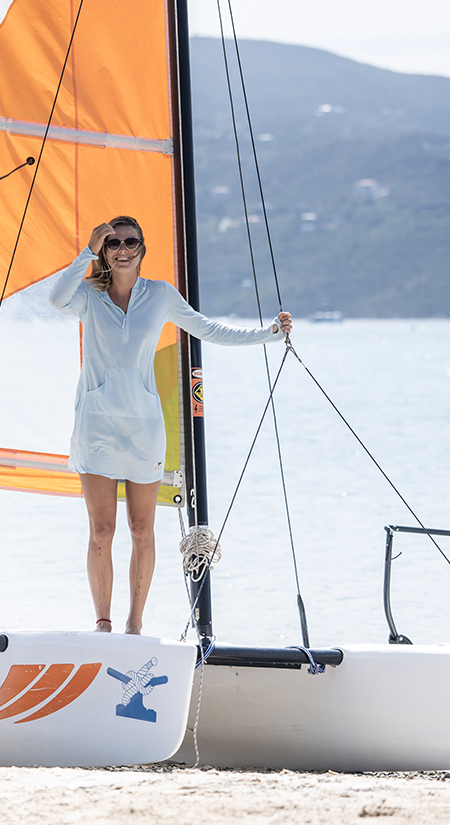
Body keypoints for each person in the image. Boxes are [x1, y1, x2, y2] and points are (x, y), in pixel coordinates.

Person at [48, 216, 292, 634]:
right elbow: (55, 299)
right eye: (112, 244)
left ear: (142, 248)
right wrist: (86, 251)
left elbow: (208, 329)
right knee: (101, 530)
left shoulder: (159, 295)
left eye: (130, 242)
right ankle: (103, 625)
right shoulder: (88, 294)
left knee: (142, 529)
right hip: (96, 425)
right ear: (104, 252)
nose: (122, 249)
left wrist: (268, 335)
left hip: (143, 428)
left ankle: (134, 625)